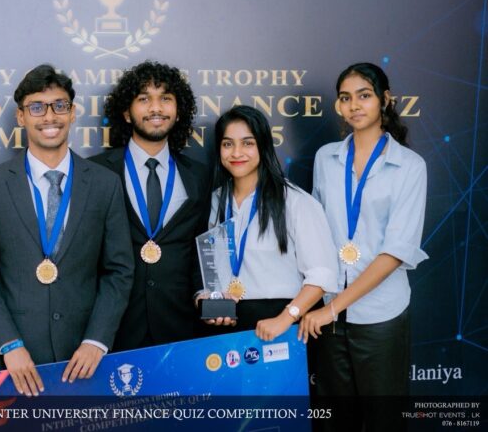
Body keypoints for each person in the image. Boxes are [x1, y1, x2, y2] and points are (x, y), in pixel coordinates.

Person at [0, 64, 134, 397]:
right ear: (20, 116)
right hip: (14, 362)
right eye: (37, 107)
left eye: (59, 106)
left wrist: (96, 340)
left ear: (72, 113)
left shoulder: (104, 184)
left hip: (85, 358)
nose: (49, 117)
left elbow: (119, 271)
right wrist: (9, 345)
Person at [300, 62, 428, 431]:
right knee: (334, 422)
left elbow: (395, 252)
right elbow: (316, 233)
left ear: (385, 101)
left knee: (384, 421)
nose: (354, 105)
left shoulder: (410, 166)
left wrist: (333, 307)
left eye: (364, 95)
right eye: (345, 98)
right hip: (327, 316)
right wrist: (322, 305)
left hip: (379, 316)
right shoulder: (326, 158)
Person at [90, 61, 211, 350]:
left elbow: (201, 248)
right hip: (112, 331)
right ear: (126, 112)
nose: (156, 108)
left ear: (178, 111)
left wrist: (205, 293)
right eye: (144, 99)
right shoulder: (94, 173)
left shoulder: (200, 175)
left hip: (181, 328)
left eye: (166, 98)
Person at [198, 105, 338, 342]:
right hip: (226, 328)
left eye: (248, 143)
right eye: (228, 143)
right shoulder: (214, 201)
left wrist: (286, 318)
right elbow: (211, 269)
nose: (236, 152)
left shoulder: (294, 201)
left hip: (281, 325)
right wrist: (210, 301)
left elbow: (322, 275)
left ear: (263, 145)